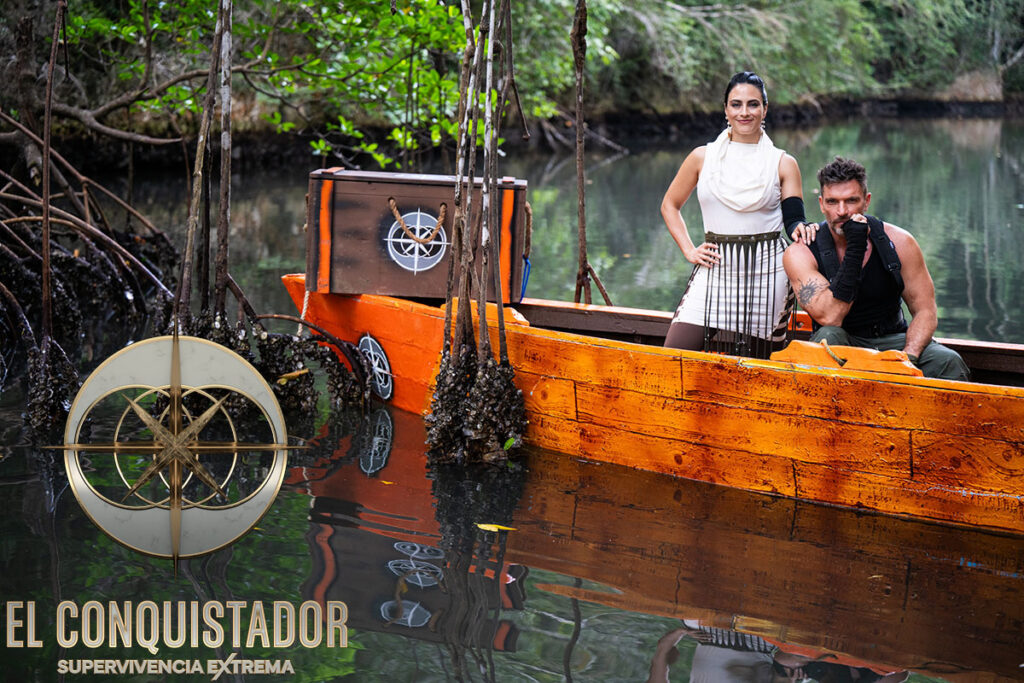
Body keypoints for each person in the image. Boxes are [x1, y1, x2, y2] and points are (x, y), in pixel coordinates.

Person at [661, 71, 816, 357]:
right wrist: (689, 250)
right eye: (736, 104)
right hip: (715, 271)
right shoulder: (701, 157)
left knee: (759, 372)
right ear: (726, 109)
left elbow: (794, 218)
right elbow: (670, 205)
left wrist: (802, 229)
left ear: (765, 109)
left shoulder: (783, 162)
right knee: (673, 357)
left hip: (768, 275)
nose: (744, 112)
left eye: (753, 104)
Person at [782, 156, 969, 381]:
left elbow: (926, 311)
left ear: (866, 201)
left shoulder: (900, 242)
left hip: (893, 340)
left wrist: (908, 359)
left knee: (949, 361)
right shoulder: (801, 252)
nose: (842, 211)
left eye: (851, 200)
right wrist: (856, 247)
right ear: (821, 204)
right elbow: (831, 317)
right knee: (829, 336)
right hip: (843, 343)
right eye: (832, 202)